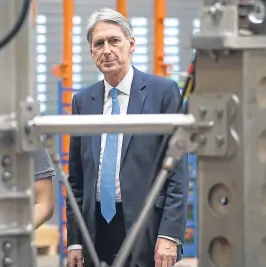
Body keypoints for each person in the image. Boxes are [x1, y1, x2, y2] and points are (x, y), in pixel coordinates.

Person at [66, 7, 189, 267]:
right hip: (95, 229)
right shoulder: (82, 102)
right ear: (91, 53)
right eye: (98, 44)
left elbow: (177, 174)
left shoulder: (163, 92)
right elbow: (76, 180)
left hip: (147, 227)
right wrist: (74, 239)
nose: (106, 50)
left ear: (131, 44)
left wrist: (169, 235)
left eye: (114, 40)